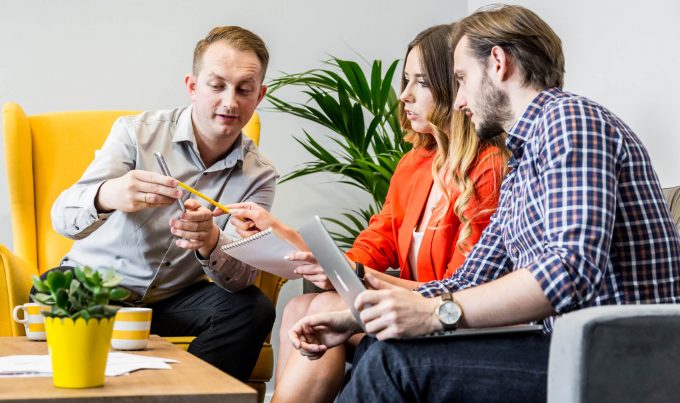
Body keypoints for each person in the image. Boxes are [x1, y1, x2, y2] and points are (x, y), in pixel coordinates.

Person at [288, 5, 680, 402]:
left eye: (460, 79)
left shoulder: (569, 120)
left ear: (498, 63)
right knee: (381, 344)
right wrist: (358, 318)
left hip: (624, 361)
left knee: (395, 364)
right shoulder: (523, 159)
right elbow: (468, 281)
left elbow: (569, 270)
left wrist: (433, 314)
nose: (458, 101)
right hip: (566, 348)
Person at [224, 24, 509, 402]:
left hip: (447, 319)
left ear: (454, 85)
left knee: (321, 306)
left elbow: (462, 291)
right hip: (405, 310)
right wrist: (282, 234)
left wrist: (359, 275)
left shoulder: (488, 167)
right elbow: (364, 255)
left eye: (421, 82)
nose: (404, 95)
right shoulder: (413, 165)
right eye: (406, 80)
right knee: (299, 306)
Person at [49, 26, 277, 381]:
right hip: (96, 288)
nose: (230, 102)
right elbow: (62, 218)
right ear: (192, 86)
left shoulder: (260, 175)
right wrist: (109, 194)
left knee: (252, 309)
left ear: (259, 95)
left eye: (244, 90)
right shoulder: (134, 133)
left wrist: (211, 241)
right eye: (217, 85)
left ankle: (185, 395)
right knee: (53, 294)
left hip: (174, 303)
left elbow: (241, 279)